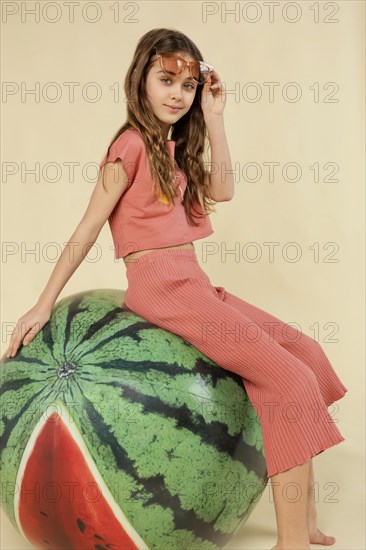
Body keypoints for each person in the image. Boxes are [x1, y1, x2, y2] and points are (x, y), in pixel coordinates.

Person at [6, 28, 348, 550]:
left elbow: (224, 190)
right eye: (166, 80)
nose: (176, 94)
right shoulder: (128, 146)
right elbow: (87, 228)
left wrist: (213, 118)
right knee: (289, 381)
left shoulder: (175, 147)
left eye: (187, 86)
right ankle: (290, 542)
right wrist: (42, 302)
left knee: (307, 354)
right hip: (160, 286)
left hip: (192, 280)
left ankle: (306, 523)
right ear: (140, 78)